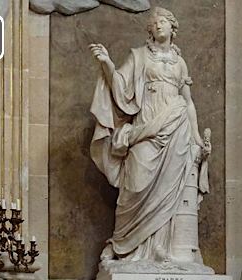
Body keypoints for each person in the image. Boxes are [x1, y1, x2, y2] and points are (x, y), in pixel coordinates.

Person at [89, 7, 210, 263]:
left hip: (176, 127)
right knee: (134, 185)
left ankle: (159, 249)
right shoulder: (139, 56)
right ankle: (124, 246)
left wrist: (197, 138)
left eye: (163, 22)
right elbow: (120, 88)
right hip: (146, 128)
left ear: (172, 27)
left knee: (171, 192)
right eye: (154, 23)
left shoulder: (180, 62)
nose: (158, 26)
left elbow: (187, 102)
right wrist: (107, 63)